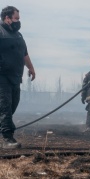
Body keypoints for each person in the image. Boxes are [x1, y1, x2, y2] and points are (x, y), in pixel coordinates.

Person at [0, 6, 36, 149]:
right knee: (5, 107)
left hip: (15, 77)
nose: (18, 22)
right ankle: (8, 139)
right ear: (7, 18)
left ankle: (4, 129)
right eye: (16, 19)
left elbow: (24, 54)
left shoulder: (18, 36)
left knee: (13, 104)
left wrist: (31, 68)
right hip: (2, 77)